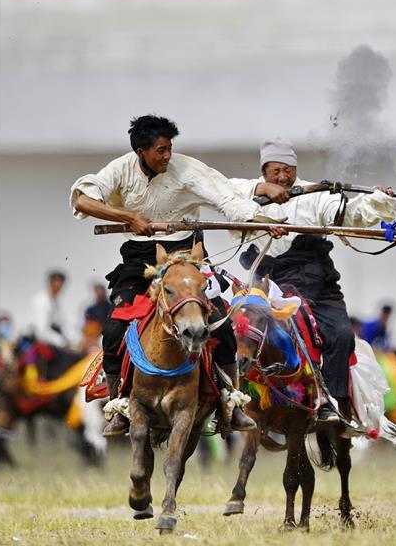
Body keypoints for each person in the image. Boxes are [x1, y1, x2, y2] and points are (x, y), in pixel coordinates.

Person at [69, 115, 286, 437]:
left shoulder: (186, 169)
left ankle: (232, 402)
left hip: (188, 256)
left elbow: (225, 197)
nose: (167, 156)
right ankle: (118, 406)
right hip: (139, 258)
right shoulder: (120, 170)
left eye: (170, 148)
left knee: (222, 323)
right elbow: (83, 200)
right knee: (115, 327)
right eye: (160, 150)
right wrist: (129, 217)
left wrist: (264, 219)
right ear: (141, 151)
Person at [234, 137, 396, 425]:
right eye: (276, 171)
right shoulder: (245, 194)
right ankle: (232, 404)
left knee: (342, 334)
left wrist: (376, 200)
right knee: (231, 332)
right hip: (268, 288)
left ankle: (332, 401)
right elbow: (222, 199)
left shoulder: (315, 194)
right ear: (263, 172)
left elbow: (348, 213)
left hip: (319, 285)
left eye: (289, 170)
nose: (284, 177)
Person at [30, 270, 72, 349]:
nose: (58, 285)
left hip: (53, 342)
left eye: (61, 282)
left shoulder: (57, 302)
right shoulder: (41, 300)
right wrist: (62, 342)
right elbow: (41, 331)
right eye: (56, 281)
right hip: (38, 344)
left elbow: (64, 324)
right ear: (50, 282)